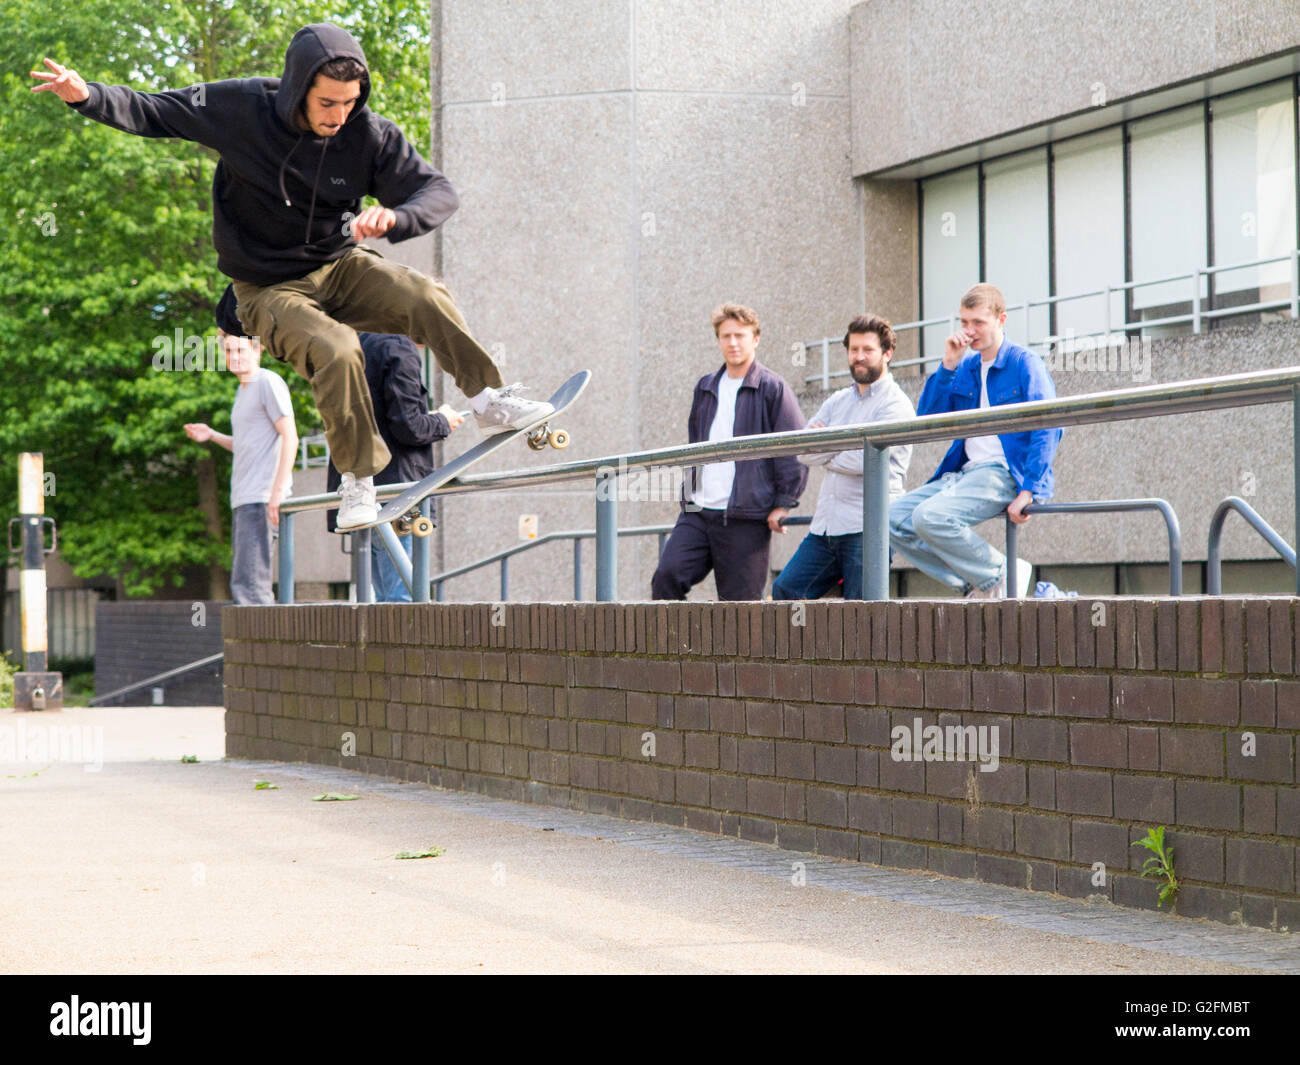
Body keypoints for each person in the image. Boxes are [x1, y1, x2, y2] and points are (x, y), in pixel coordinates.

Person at [32, 23, 552, 531]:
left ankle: (488, 400)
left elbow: (437, 191)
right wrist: (87, 96)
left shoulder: (368, 134)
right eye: (327, 103)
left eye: (350, 102)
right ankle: (358, 480)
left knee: (423, 294)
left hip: (340, 266)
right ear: (299, 88)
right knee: (338, 348)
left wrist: (398, 217)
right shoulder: (242, 108)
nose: (339, 116)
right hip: (266, 289)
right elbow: (156, 109)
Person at [888, 283, 1062, 598]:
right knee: (890, 518)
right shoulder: (966, 366)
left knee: (930, 517)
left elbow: (1048, 426)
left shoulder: (1024, 363)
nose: (969, 331)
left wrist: (1030, 489)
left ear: (1001, 319)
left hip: (1004, 472)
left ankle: (1000, 574)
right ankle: (978, 581)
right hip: (965, 472)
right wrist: (948, 364)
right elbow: (926, 419)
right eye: (965, 322)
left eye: (978, 322)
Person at [650, 303, 808, 601]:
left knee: (740, 609)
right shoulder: (705, 386)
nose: (733, 343)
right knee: (667, 576)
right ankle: (677, 636)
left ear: (755, 339)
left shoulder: (772, 387)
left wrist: (784, 503)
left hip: (746, 515)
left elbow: (793, 448)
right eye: (726, 336)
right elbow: (694, 444)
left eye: (740, 335)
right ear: (718, 340)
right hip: (697, 510)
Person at [772, 314, 914, 600]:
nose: (859, 356)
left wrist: (825, 447)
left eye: (868, 350)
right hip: (826, 527)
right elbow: (802, 452)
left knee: (862, 613)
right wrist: (841, 447)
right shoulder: (837, 400)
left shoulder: (896, 405)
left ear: (887, 354)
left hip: (869, 529)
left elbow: (865, 460)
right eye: (853, 349)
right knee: (786, 591)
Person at [325, 330, 465, 602]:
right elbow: (409, 427)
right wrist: (443, 421)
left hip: (358, 490)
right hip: (396, 492)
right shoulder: (397, 346)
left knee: (383, 600)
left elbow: (379, 418)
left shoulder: (349, 341)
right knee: (402, 600)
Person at [183, 289, 297, 605]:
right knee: (244, 583)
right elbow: (248, 445)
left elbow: (290, 436)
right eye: (229, 351)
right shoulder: (242, 392)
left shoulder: (267, 382)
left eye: (240, 350)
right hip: (244, 499)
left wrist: (276, 493)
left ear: (257, 350)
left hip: (261, 498)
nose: (234, 357)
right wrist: (211, 435)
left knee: (251, 588)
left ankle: (263, 639)